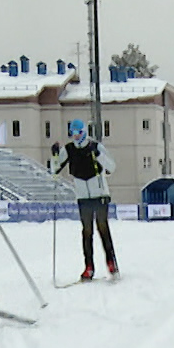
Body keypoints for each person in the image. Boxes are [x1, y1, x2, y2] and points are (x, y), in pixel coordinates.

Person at [53, 119, 118, 280]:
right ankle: (89, 267)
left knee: (102, 228)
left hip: (100, 194)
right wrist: (55, 155)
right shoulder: (69, 149)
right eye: (73, 133)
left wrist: (99, 155)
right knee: (87, 231)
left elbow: (111, 167)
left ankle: (111, 263)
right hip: (83, 196)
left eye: (78, 133)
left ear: (84, 132)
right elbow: (54, 170)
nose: (75, 136)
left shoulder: (96, 146)